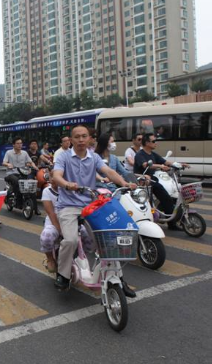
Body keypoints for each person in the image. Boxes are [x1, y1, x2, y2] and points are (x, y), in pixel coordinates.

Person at [52, 124, 137, 295]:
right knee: (70, 241)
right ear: (71, 140)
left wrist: (124, 183)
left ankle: (118, 277)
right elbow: (57, 175)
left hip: (90, 205)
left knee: (109, 240)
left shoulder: (94, 157)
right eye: (77, 137)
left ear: (89, 139)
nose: (81, 140)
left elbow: (109, 172)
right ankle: (63, 274)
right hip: (68, 205)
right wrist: (67, 184)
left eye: (84, 136)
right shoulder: (64, 157)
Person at [133, 133, 189, 230]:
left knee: (167, 198)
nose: (156, 143)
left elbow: (166, 162)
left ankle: (171, 223)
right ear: (146, 143)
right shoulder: (140, 154)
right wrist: (160, 166)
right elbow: (145, 165)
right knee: (147, 204)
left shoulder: (153, 154)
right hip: (141, 182)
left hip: (151, 180)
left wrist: (179, 164)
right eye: (153, 141)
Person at [3, 136, 38, 209]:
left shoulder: (24, 153)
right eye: (18, 143)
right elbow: (4, 162)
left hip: (23, 173)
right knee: (17, 182)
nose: (20, 145)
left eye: (21, 143)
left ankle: (35, 207)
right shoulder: (9, 153)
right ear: (13, 145)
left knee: (31, 183)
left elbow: (30, 162)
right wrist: (8, 164)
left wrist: (35, 167)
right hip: (11, 173)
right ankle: (18, 201)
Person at [39, 178, 61, 273]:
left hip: (70, 220)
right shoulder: (47, 191)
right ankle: (50, 259)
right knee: (46, 237)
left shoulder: (70, 190)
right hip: (53, 222)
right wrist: (60, 231)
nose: (52, 180)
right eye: (51, 177)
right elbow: (51, 213)